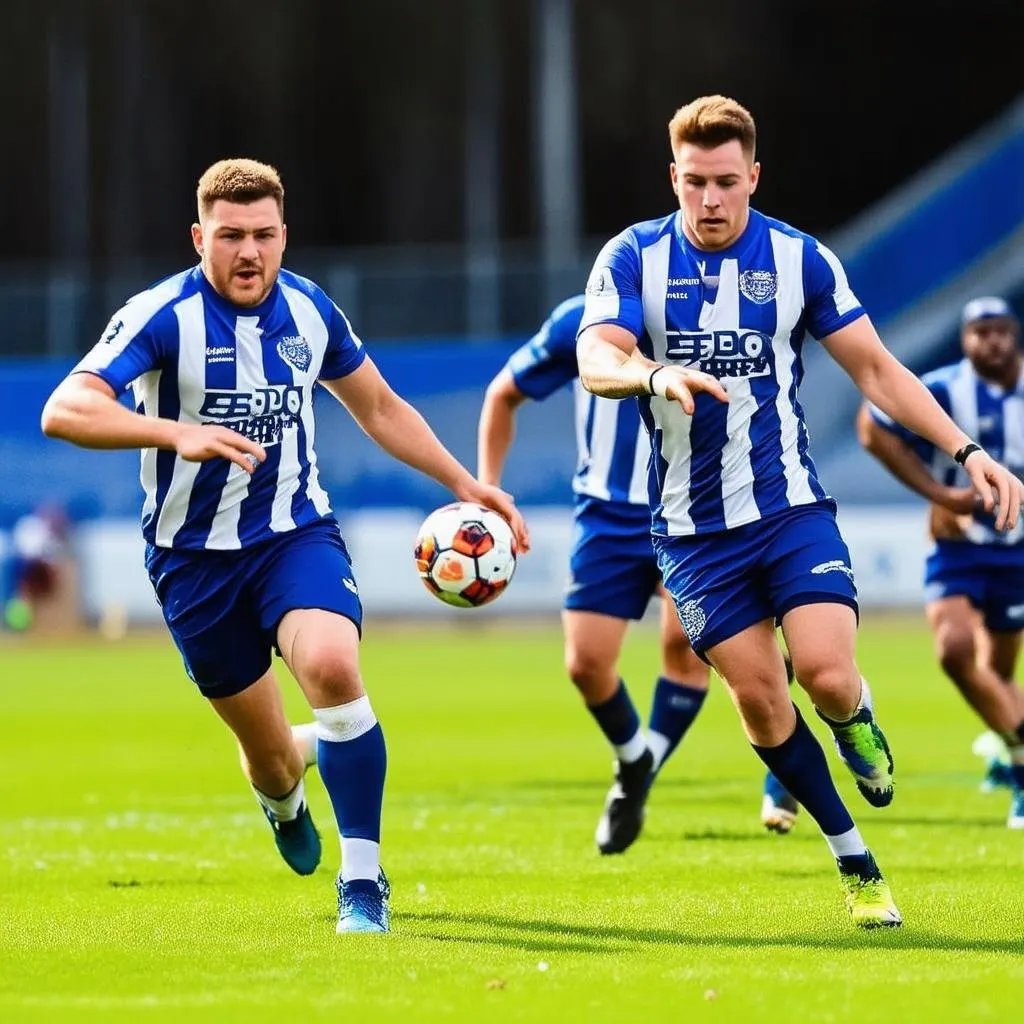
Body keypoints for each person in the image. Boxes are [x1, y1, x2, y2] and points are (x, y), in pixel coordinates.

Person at [41, 158, 529, 935]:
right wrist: (176, 433)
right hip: (193, 562)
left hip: (293, 535)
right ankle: (285, 791)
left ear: (284, 236)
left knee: (334, 668)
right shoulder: (161, 316)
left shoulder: (309, 310)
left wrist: (466, 484)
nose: (249, 253)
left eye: (264, 236)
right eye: (230, 236)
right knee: (268, 756)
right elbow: (65, 409)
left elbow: (379, 406)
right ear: (200, 236)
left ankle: (363, 883)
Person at [575, 95, 1023, 928]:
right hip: (690, 535)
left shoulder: (799, 259)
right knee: (761, 702)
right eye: (695, 183)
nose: (710, 201)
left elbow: (881, 372)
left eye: (726, 183)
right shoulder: (632, 256)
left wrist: (968, 450)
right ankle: (856, 862)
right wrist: (650, 375)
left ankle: (855, 718)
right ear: (674, 177)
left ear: (754, 176)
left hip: (789, 512)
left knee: (824, 675)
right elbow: (596, 354)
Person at [477, 294, 711, 855]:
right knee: (585, 664)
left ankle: (780, 767)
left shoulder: (709, 315)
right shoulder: (578, 319)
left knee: (693, 647)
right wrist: (487, 491)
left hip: (695, 510)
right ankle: (637, 761)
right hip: (606, 515)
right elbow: (502, 395)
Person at [858, 296, 1024, 828]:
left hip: (1017, 553)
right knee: (954, 651)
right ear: (965, 339)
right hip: (957, 547)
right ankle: (1021, 770)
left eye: (1000, 331)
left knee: (998, 675)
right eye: (980, 332)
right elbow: (871, 427)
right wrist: (938, 493)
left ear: (1014, 335)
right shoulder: (946, 389)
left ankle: (1006, 749)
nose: (991, 341)